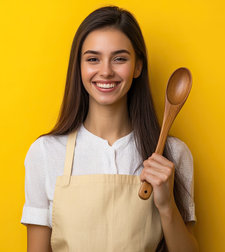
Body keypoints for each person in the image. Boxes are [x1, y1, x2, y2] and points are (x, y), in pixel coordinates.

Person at [21, 5, 199, 252]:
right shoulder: (45, 153)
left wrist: (167, 206)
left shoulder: (173, 154)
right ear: (79, 67)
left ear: (137, 67)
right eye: (93, 59)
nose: (105, 71)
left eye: (119, 58)